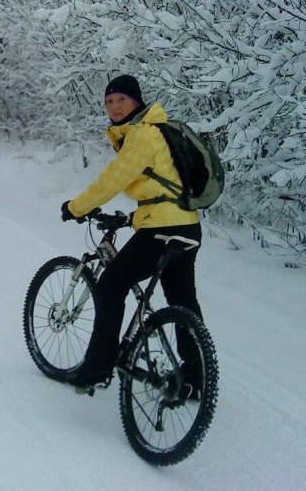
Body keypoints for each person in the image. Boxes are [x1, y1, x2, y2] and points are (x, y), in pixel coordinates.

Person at [60, 74, 204, 391]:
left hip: (162, 229)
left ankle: (96, 368)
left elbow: (113, 180)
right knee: (182, 301)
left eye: (121, 100)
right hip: (187, 226)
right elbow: (162, 186)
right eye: (109, 101)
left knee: (110, 286)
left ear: (136, 102)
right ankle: (196, 376)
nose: (114, 107)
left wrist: (76, 207)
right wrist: (136, 216)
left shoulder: (143, 135)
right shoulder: (160, 133)